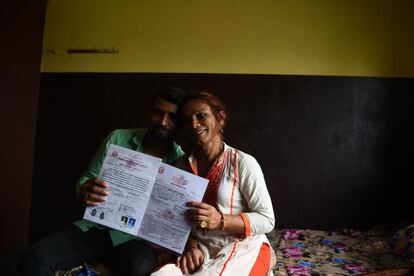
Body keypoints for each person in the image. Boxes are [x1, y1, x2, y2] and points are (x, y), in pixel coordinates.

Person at [20, 86, 187, 276]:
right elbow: (88, 178)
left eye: (172, 117)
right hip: (96, 227)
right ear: (150, 113)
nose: (163, 122)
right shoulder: (119, 138)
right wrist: (85, 189)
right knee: (35, 257)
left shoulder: (181, 161)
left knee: (141, 269)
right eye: (158, 113)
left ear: (181, 123)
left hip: (135, 241)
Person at [152, 92, 276, 275]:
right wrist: (190, 245)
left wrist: (220, 221)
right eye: (187, 120)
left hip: (241, 246)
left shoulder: (242, 163)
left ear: (220, 118)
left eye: (201, 115)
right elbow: (174, 217)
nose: (194, 124)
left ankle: (264, 261)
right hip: (199, 249)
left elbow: (267, 219)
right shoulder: (179, 166)